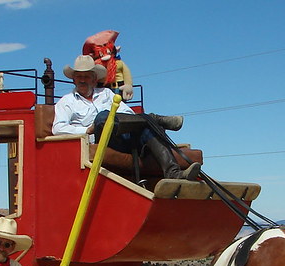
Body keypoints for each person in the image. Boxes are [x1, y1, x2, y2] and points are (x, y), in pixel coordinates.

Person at [52, 55, 201, 181]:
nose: (82, 80)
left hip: (120, 137)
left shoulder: (106, 93)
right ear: (74, 79)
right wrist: (87, 129)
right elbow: (58, 128)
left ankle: (173, 173)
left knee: (145, 130)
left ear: (94, 79)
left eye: (86, 76)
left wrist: (137, 122)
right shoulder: (67, 101)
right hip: (99, 139)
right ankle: (155, 119)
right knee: (102, 117)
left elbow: (128, 115)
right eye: (79, 76)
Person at [83, 29, 133, 100]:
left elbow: (127, 74)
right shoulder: (96, 65)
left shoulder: (119, 63)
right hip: (101, 90)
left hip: (118, 89)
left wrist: (128, 85)